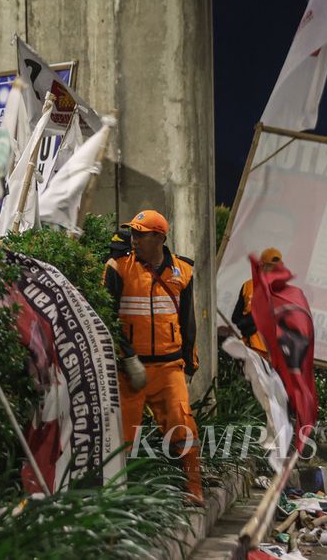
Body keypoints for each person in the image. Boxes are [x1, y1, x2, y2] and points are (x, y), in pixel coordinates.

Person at [103, 209, 204, 504]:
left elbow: (188, 320)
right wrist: (128, 356)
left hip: (168, 367)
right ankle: (116, 499)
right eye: (132, 233)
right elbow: (107, 315)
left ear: (159, 237)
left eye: (141, 234)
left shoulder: (183, 271)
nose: (134, 239)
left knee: (183, 428)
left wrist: (190, 360)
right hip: (129, 370)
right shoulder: (119, 266)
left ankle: (194, 490)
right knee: (121, 438)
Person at [230, 248, 283, 358]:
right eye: (270, 266)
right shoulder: (248, 286)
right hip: (248, 349)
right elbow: (236, 317)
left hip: (266, 351)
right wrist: (245, 325)